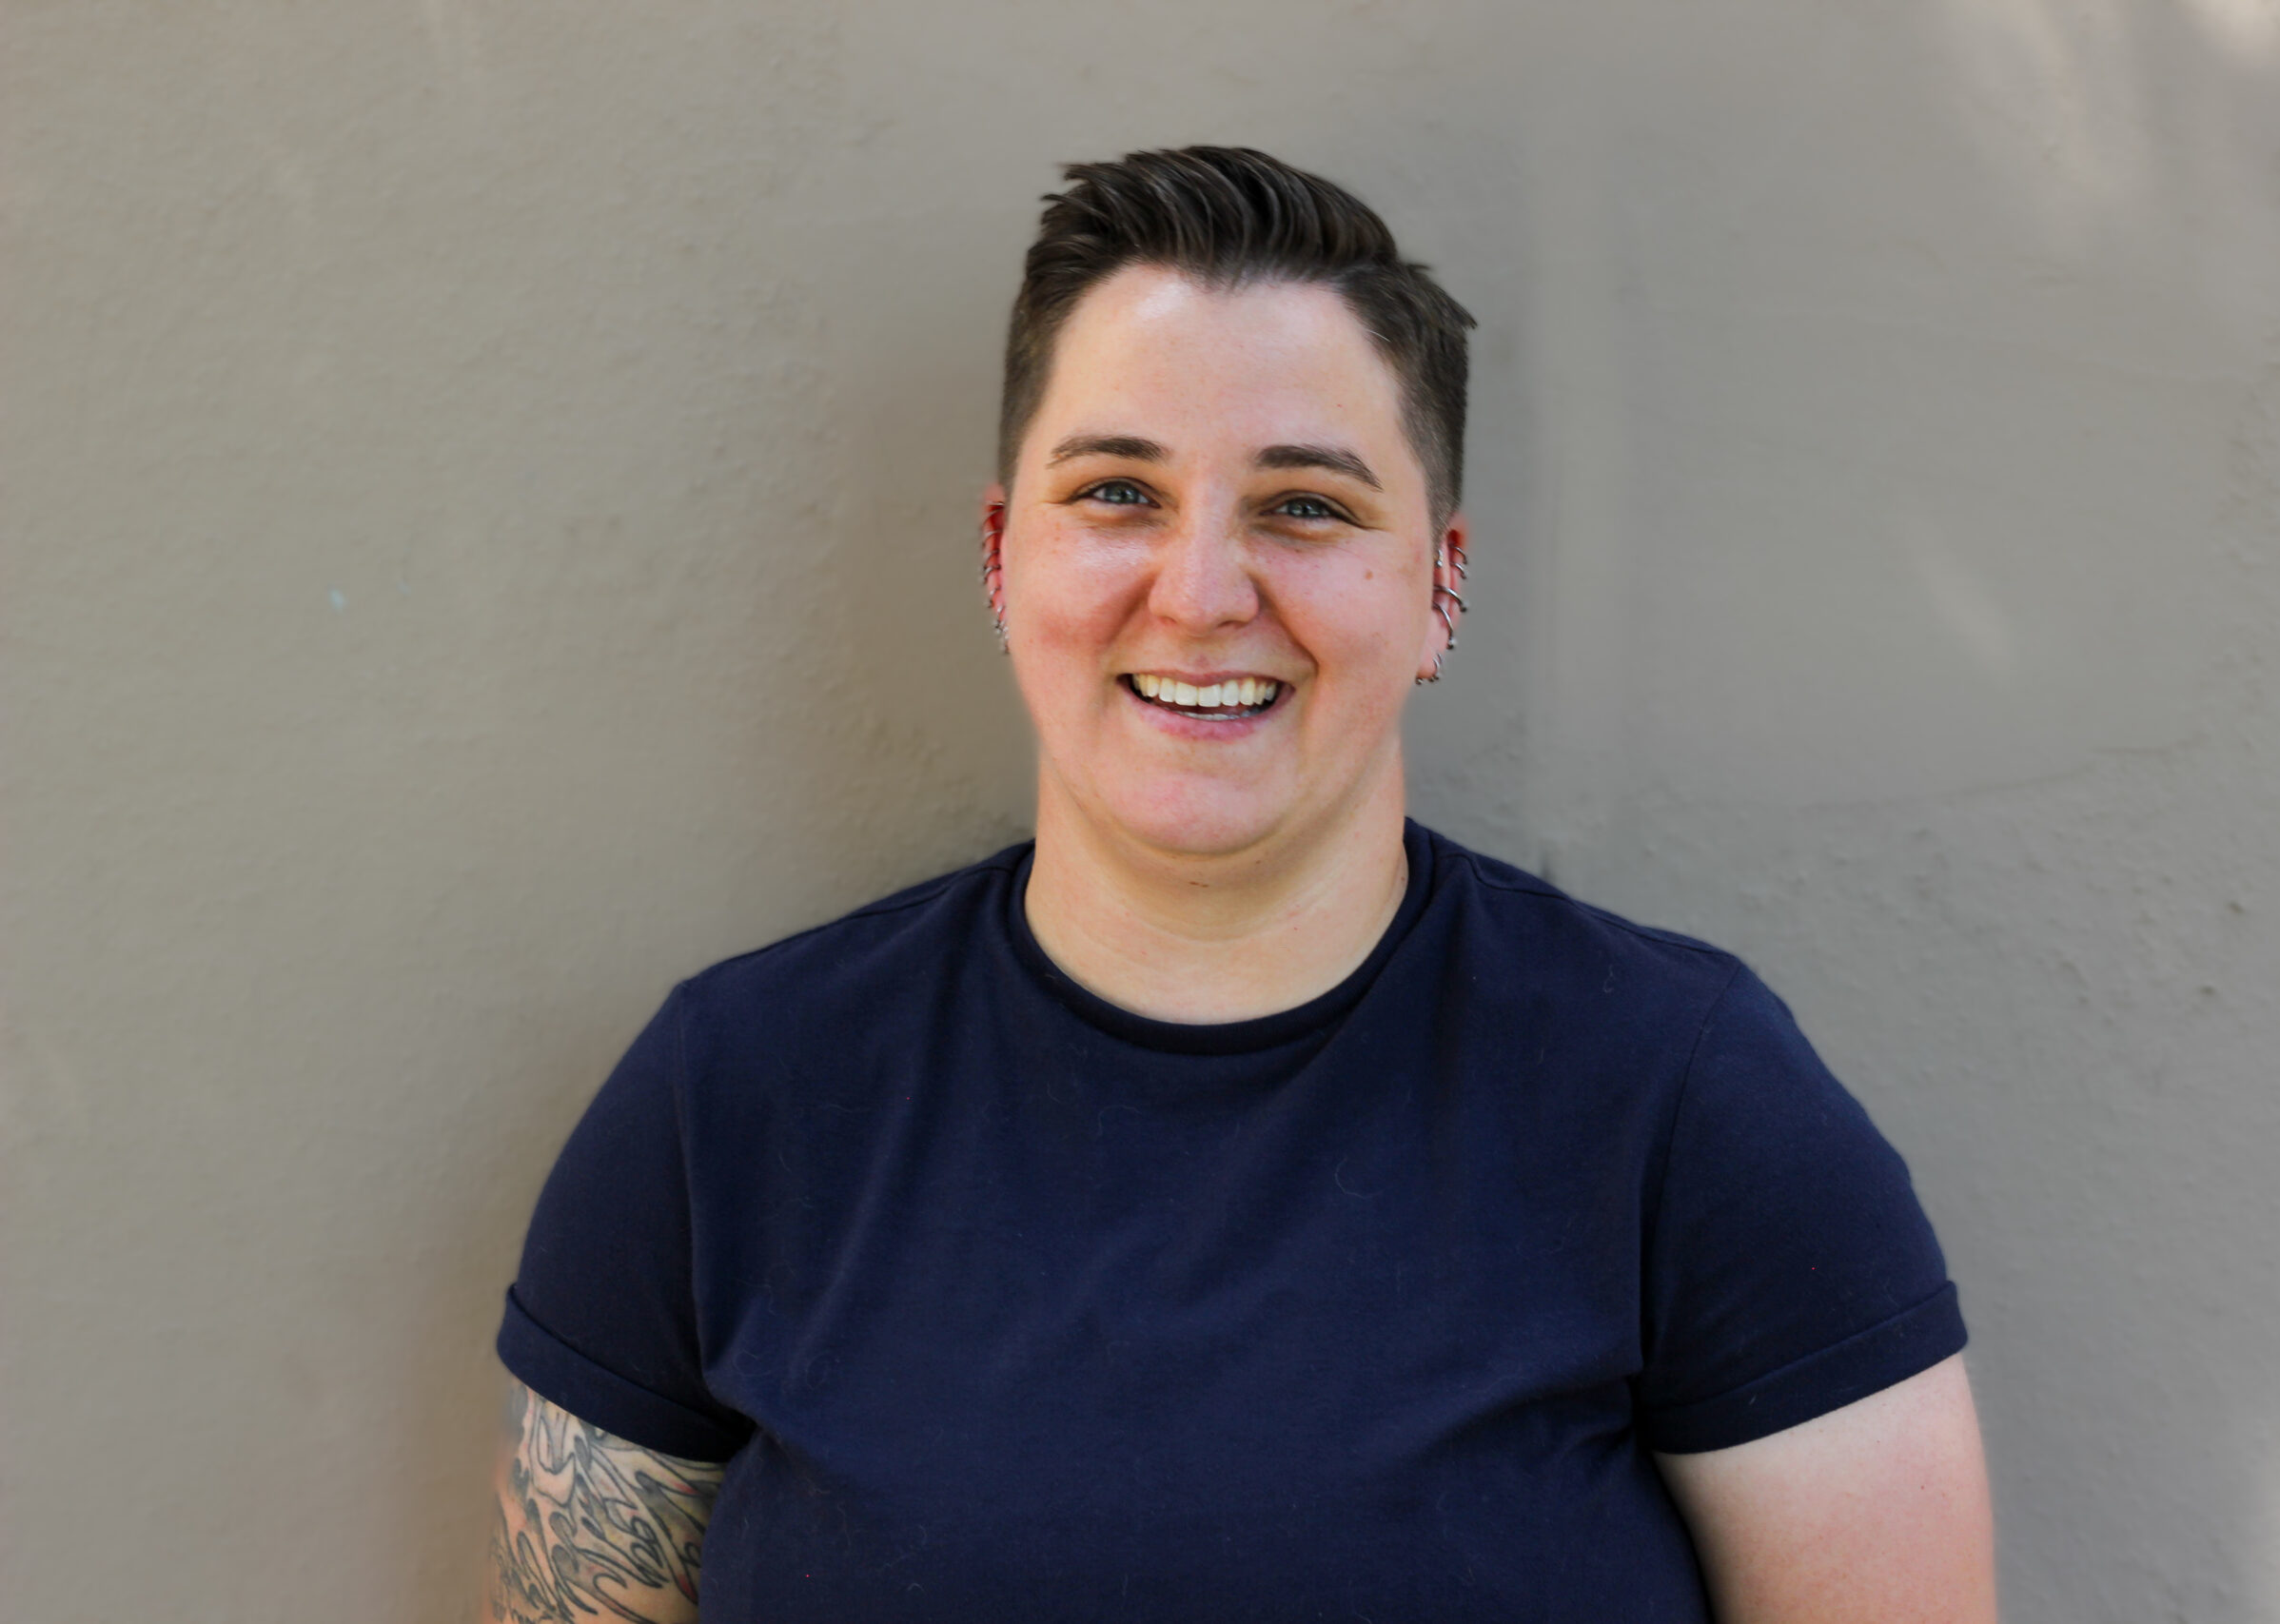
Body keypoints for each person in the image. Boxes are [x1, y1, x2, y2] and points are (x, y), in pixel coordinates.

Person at [485, 147, 1995, 1624]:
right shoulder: (735, 1100)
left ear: (1440, 586)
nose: (1202, 593)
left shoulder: (1682, 1102)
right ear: (1005, 556)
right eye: (1118, 493)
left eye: (1306, 506)